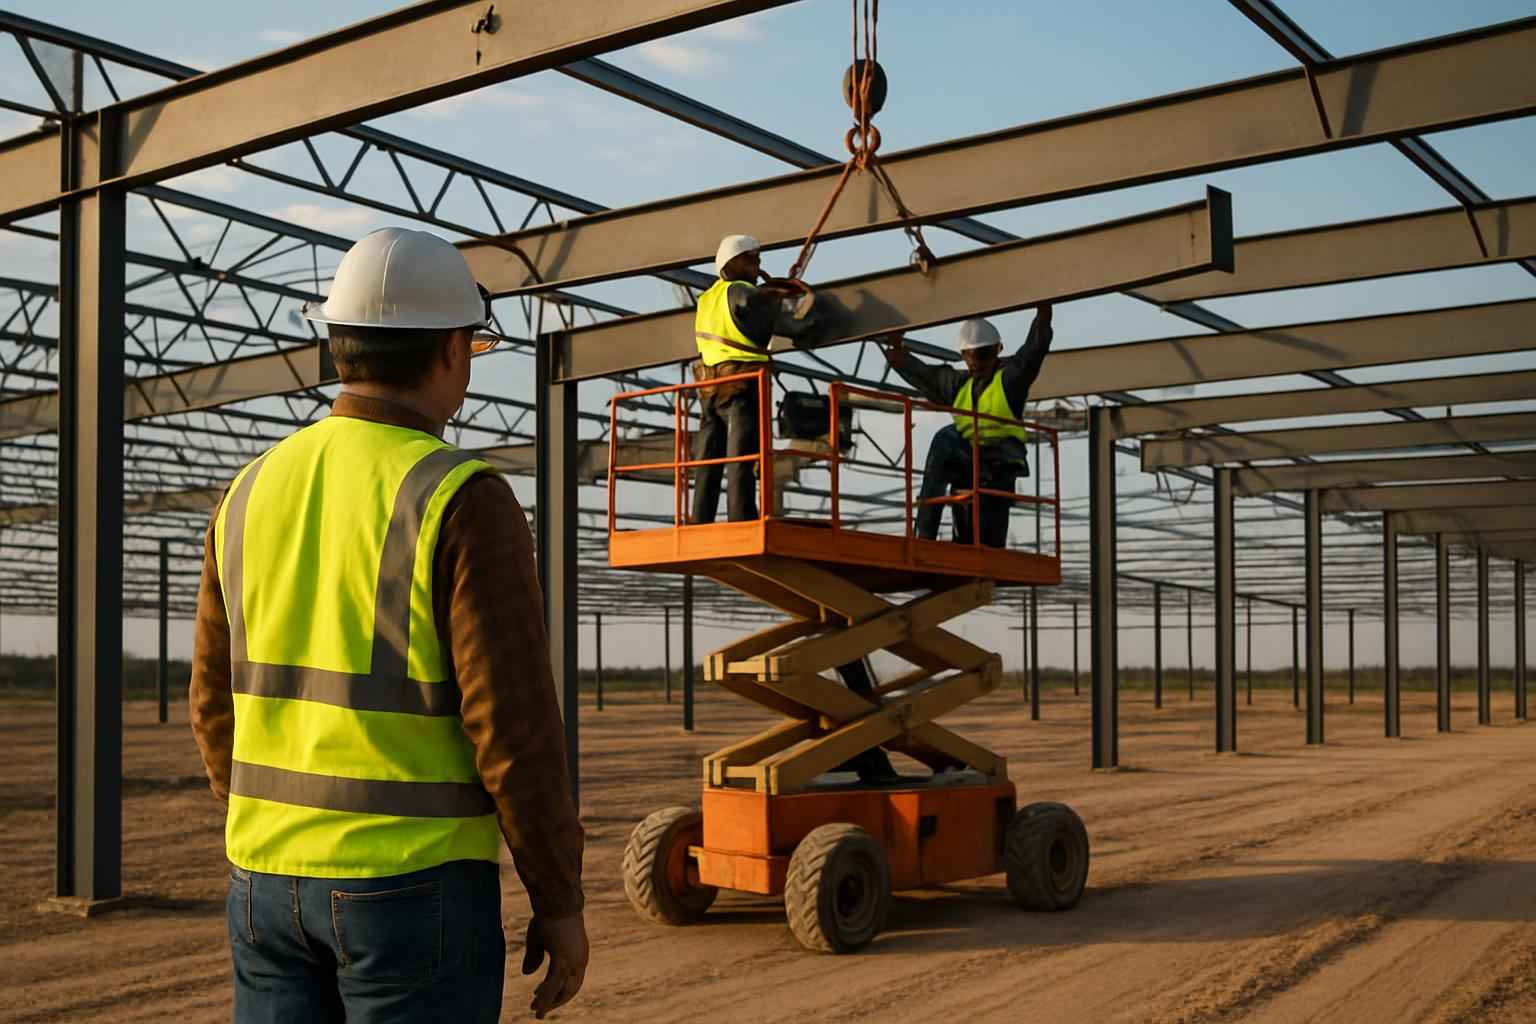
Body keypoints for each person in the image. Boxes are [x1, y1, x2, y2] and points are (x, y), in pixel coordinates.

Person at [188, 227, 587, 1023]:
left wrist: (273, 831)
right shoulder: (459, 496)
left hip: (263, 884)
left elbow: (211, 702)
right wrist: (559, 896)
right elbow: (511, 728)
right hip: (412, 891)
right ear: (450, 348)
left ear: (339, 345)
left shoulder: (249, 490)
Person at [882, 307, 1054, 548]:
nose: (976, 362)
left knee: (946, 440)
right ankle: (924, 537)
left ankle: (925, 538)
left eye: (982, 355)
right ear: (964, 355)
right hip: (966, 464)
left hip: (998, 461)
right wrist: (897, 353)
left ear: (998, 351)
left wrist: (1043, 315)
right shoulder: (960, 385)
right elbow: (927, 376)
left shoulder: (1008, 380)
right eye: (972, 356)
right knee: (967, 529)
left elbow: (1032, 355)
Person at [689, 234, 821, 524]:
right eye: (752, 260)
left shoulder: (708, 299)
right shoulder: (738, 290)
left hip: (709, 390)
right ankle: (741, 517)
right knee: (741, 458)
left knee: (708, 460)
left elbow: (753, 322)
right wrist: (776, 293)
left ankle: (699, 519)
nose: (757, 266)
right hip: (740, 387)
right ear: (733, 262)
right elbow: (750, 300)